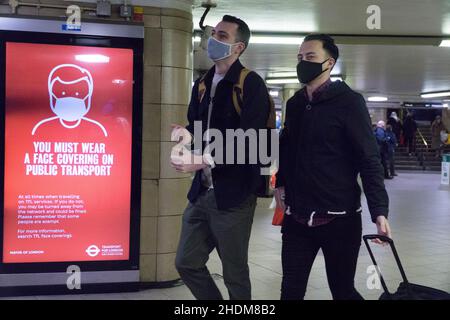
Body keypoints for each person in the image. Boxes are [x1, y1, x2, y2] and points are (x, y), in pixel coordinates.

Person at [275, 34, 391, 300]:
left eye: (310, 57)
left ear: (329, 63)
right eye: (300, 57)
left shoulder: (349, 103)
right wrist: (281, 182)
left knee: (342, 290)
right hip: (298, 219)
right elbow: (287, 148)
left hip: (339, 219)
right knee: (290, 291)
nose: (303, 62)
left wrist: (379, 211)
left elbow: (369, 158)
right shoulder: (294, 104)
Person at [171, 15, 270, 300]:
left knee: (234, 272)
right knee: (186, 262)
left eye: (222, 36)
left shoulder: (250, 84)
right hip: (202, 191)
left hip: (234, 196)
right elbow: (197, 127)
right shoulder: (202, 83)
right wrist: (185, 138)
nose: (213, 40)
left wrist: (200, 160)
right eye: (213, 33)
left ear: (239, 47)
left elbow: (250, 140)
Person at [32, 64, 108, 137]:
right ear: (51, 94)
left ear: (89, 95)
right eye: (63, 94)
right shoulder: (41, 128)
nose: (70, 100)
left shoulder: (97, 129)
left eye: (78, 94)